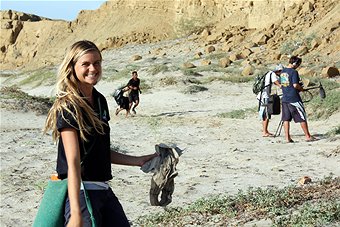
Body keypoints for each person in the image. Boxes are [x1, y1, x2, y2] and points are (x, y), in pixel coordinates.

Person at [44, 40, 158, 227]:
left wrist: (138, 160)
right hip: (81, 192)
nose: (93, 68)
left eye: (97, 62)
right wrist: (75, 214)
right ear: (72, 67)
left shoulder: (99, 101)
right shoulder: (68, 106)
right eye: (86, 64)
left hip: (103, 190)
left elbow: (99, 151)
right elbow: (73, 162)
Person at [280, 56, 316, 143]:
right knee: (302, 117)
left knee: (286, 119)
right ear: (295, 63)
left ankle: (287, 138)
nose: (298, 66)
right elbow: (295, 85)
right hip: (294, 98)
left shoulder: (283, 71)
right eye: (298, 64)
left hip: (285, 98)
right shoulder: (294, 72)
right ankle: (307, 136)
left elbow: (284, 84)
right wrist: (302, 89)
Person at [257, 64, 283, 137]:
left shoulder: (269, 73)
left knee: (265, 113)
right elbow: (276, 82)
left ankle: (265, 130)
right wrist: (282, 86)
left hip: (262, 95)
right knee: (266, 114)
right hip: (264, 96)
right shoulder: (272, 74)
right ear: (279, 71)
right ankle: (265, 132)